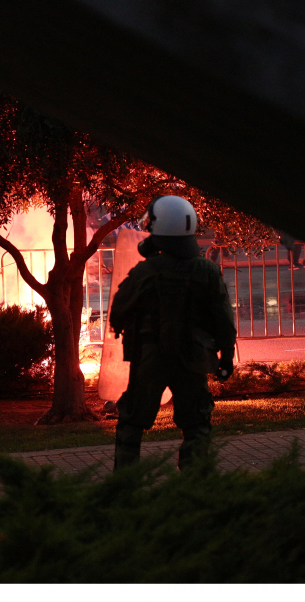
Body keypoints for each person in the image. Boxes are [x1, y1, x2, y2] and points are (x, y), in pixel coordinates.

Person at [109, 195, 236, 471]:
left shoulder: (145, 270)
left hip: (149, 360)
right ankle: (194, 487)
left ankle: (124, 489)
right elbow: (225, 322)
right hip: (193, 360)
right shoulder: (208, 271)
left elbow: (118, 310)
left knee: (132, 422)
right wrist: (226, 360)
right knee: (196, 424)